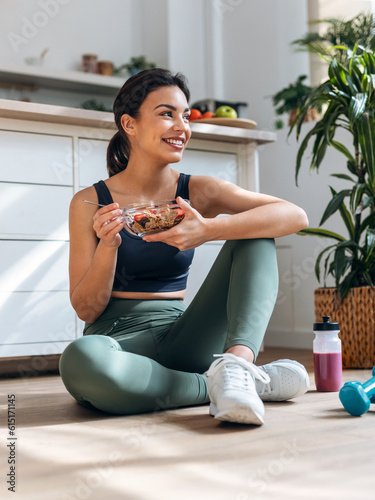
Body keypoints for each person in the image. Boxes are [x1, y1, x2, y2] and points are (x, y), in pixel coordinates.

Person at [59, 68, 309, 426]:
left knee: (256, 229)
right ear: (129, 124)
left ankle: (237, 365)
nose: (182, 127)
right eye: (166, 114)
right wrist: (108, 246)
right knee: (80, 359)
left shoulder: (198, 191)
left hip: (186, 336)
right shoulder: (89, 202)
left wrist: (209, 229)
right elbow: (86, 309)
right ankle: (236, 384)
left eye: (185, 116)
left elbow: (294, 215)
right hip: (117, 343)